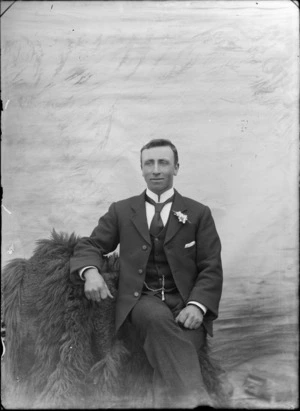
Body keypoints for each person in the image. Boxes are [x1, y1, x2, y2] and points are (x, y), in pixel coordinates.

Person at [70, 139, 223, 408]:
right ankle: (199, 401)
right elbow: (91, 245)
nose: (155, 170)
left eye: (163, 163)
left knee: (180, 347)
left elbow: (211, 266)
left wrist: (198, 307)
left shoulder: (199, 213)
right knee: (155, 318)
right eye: (148, 163)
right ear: (141, 169)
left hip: (186, 303)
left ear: (176, 167)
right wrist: (90, 272)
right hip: (141, 301)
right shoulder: (121, 210)